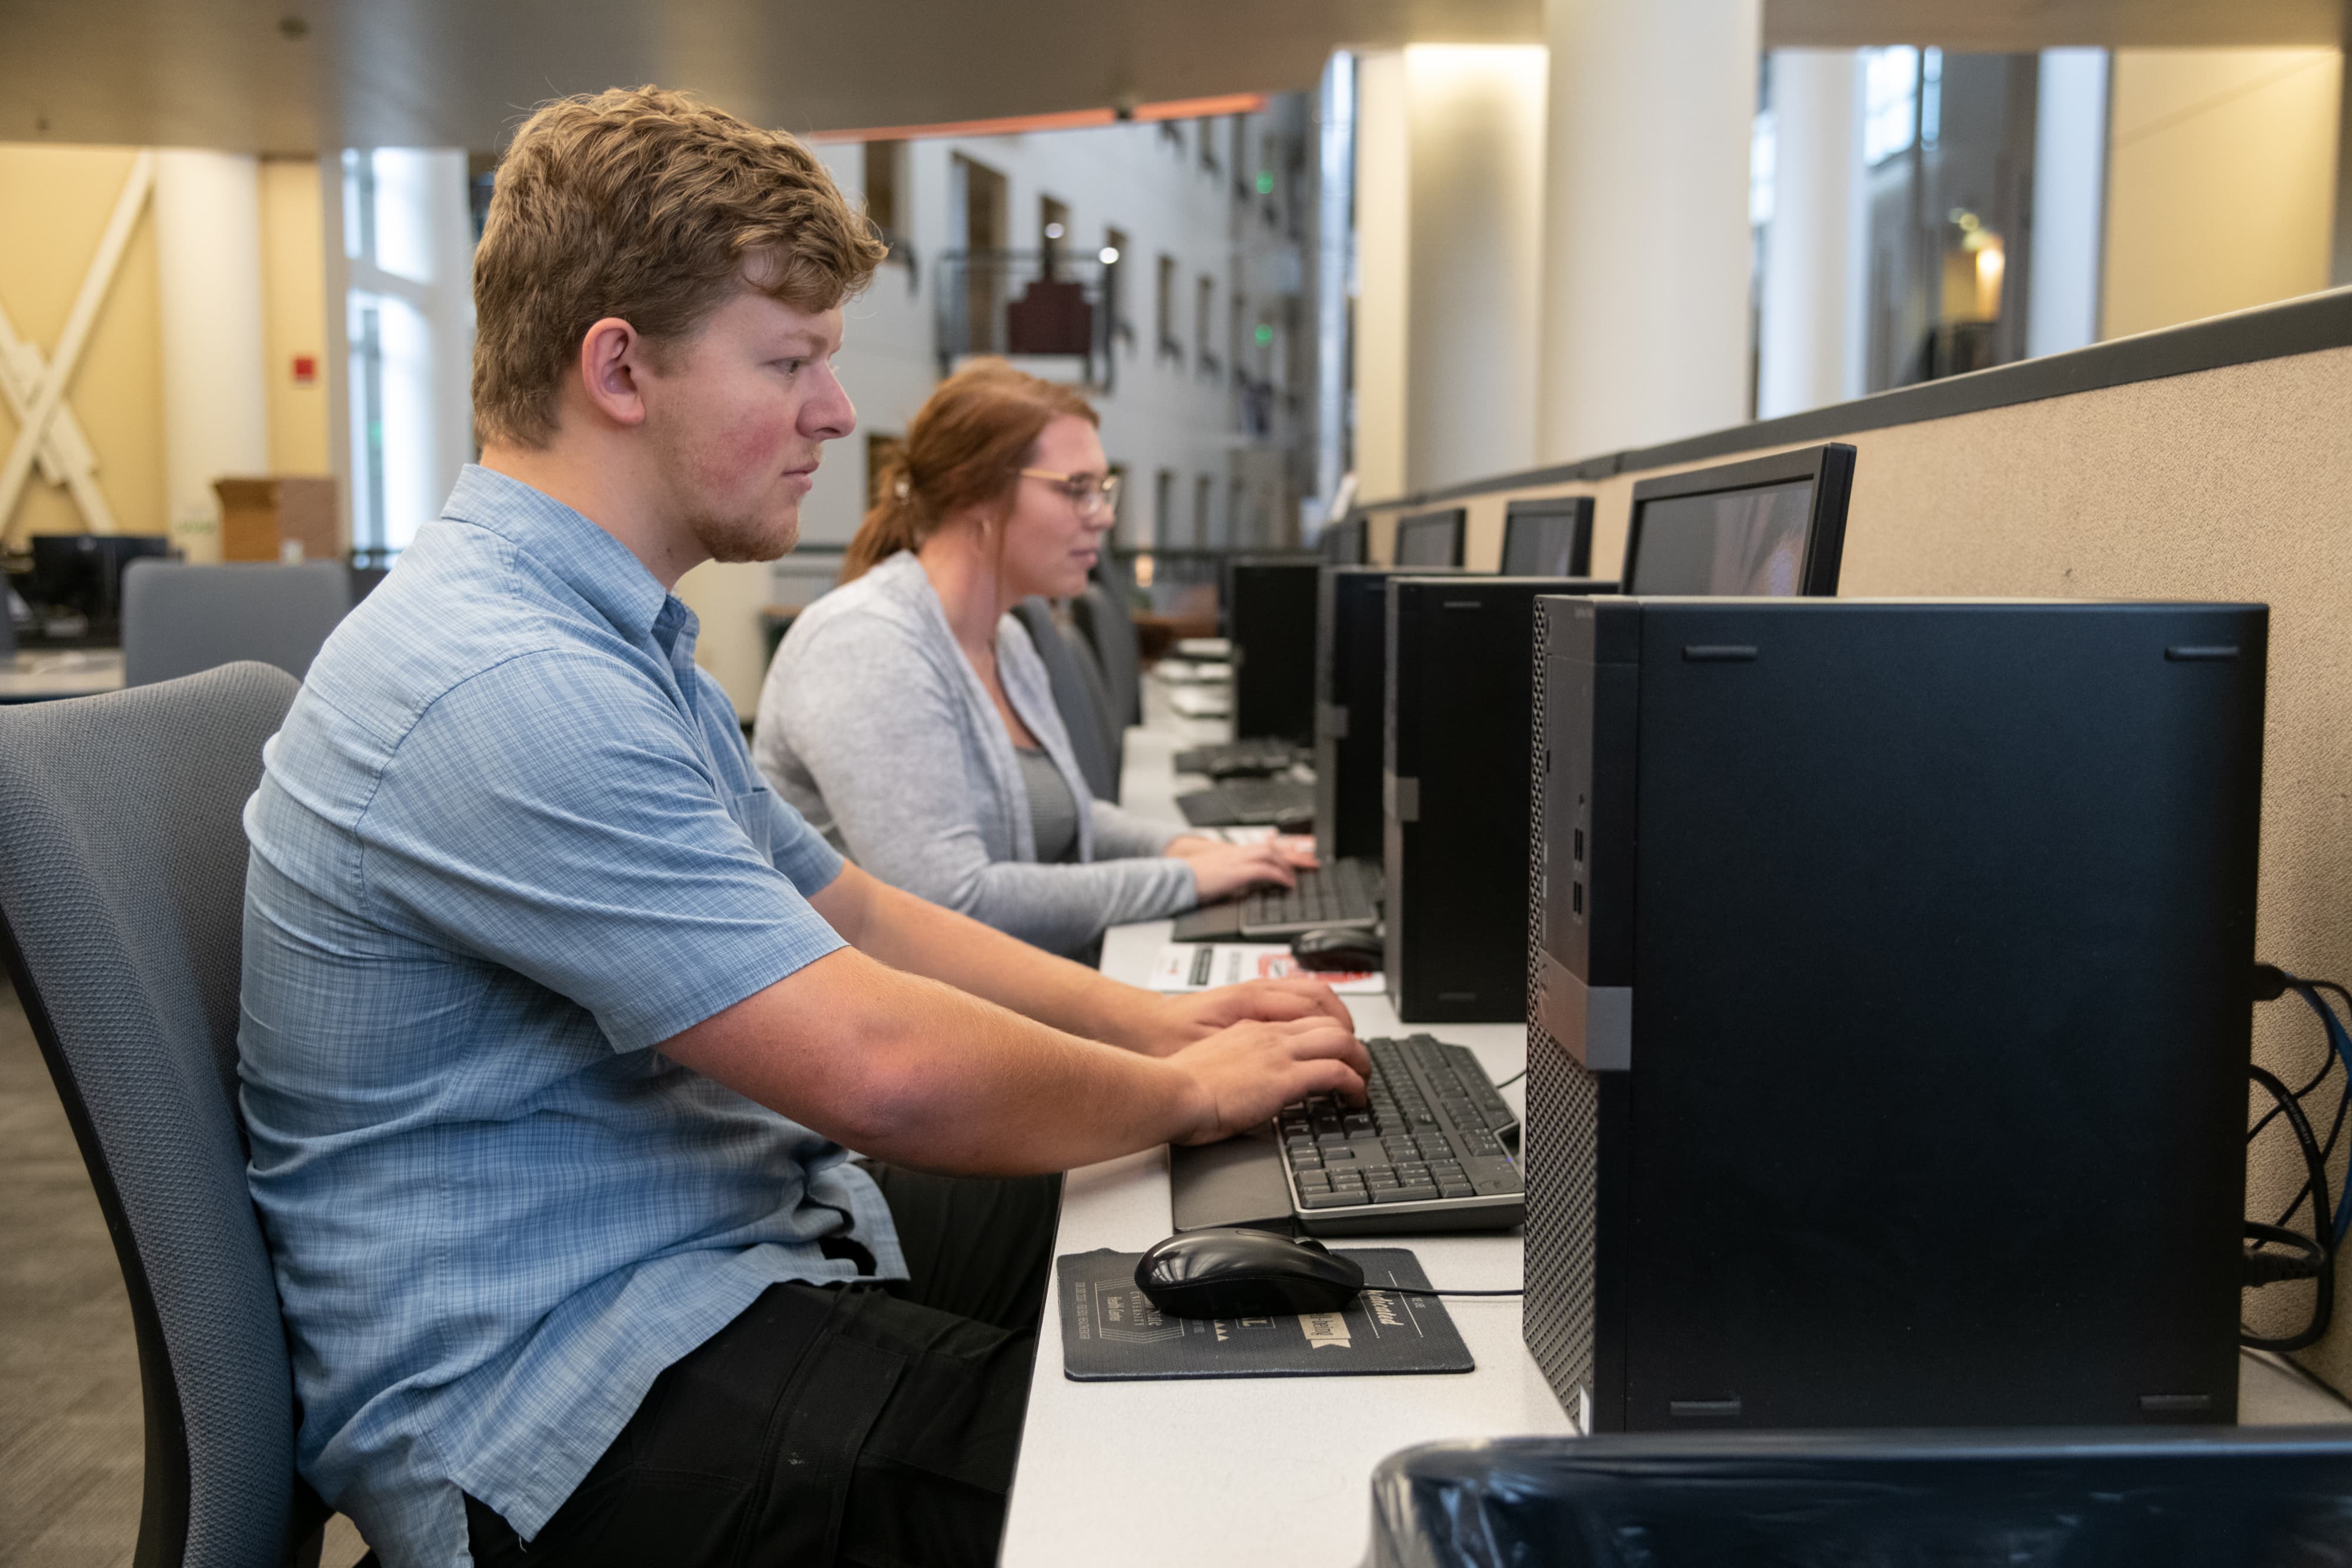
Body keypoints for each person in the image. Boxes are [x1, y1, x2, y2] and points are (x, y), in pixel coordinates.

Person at [237, 86, 1367, 1568]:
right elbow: (879, 1072)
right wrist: (1191, 1090)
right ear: (619, 369)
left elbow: (859, 916)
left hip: (712, 1245)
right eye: (791, 362)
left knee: (1187, 1216)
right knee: (1202, 1463)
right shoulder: (503, 681)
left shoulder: (605, 637)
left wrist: (1170, 1042)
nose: (839, 414)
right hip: (570, 1409)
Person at [754, 362, 1312, 957]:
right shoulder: (869, 646)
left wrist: (1191, 849)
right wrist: (1187, 881)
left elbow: (1067, 816)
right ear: (977, 494)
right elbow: (950, 903)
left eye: (1103, 489)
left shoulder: (1007, 637)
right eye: (1076, 488)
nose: (1104, 515)